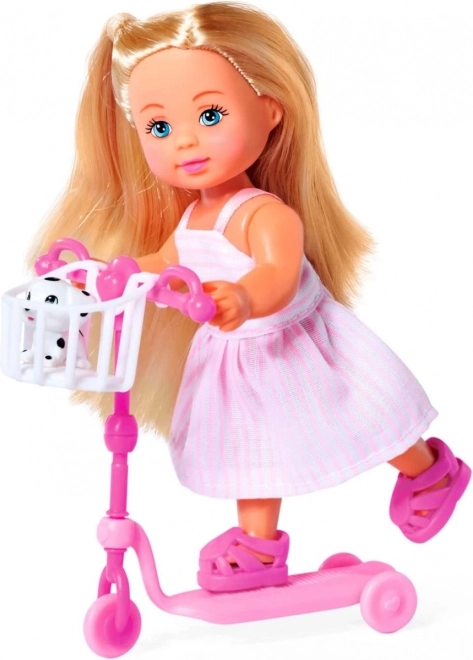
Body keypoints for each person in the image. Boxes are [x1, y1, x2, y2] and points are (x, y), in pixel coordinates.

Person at [29, 2, 470, 592]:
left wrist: (243, 296)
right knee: (251, 451)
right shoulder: (192, 216)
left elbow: (277, 274)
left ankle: (429, 471)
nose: (186, 141)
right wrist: (112, 271)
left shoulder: (263, 213)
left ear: (269, 111)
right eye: (159, 128)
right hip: (236, 359)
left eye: (210, 115)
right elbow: (166, 259)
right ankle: (260, 545)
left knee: (361, 418)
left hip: (296, 346)